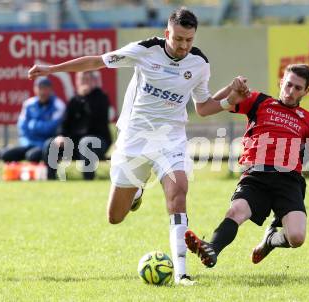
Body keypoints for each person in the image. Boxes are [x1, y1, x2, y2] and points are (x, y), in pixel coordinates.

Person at [28, 7, 248, 285]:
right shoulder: (145, 50)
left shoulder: (199, 64)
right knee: (115, 217)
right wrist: (52, 69)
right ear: (167, 33)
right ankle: (136, 192)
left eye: (188, 40)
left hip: (170, 139)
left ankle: (181, 273)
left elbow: (202, 108)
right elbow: (96, 62)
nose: (183, 45)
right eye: (178, 38)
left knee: (179, 191)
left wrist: (230, 99)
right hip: (134, 139)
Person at [183, 64, 309, 269]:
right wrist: (231, 89)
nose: (291, 91)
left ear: (306, 92)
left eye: (298, 88)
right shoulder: (258, 101)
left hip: (288, 181)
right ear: (281, 82)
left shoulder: (307, 119)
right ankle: (211, 248)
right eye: (288, 84)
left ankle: (271, 239)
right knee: (236, 211)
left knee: (297, 238)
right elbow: (210, 106)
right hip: (257, 176)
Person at [43, 71, 112, 180]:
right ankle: (51, 179)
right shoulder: (74, 100)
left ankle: (88, 180)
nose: (84, 82)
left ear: (93, 82)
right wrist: (61, 135)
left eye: (87, 79)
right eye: (81, 79)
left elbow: (96, 120)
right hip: (75, 144)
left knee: (86, 142)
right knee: (51, 143)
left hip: (97, 142)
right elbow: (65, 122)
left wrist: (87, 99)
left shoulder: (102, 98)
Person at [1, 77, 65, 163]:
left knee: (32, 156)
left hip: (46, 146)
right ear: (35, 89)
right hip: (28, 144)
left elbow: (52, 129)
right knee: (6, 155)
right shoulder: (28, 104)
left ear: (50, 89)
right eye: (40, 88)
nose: (42, 92)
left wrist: (33, 125)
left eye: (45, 88)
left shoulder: (59, 105)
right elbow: (22, 128)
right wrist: (27, 143)